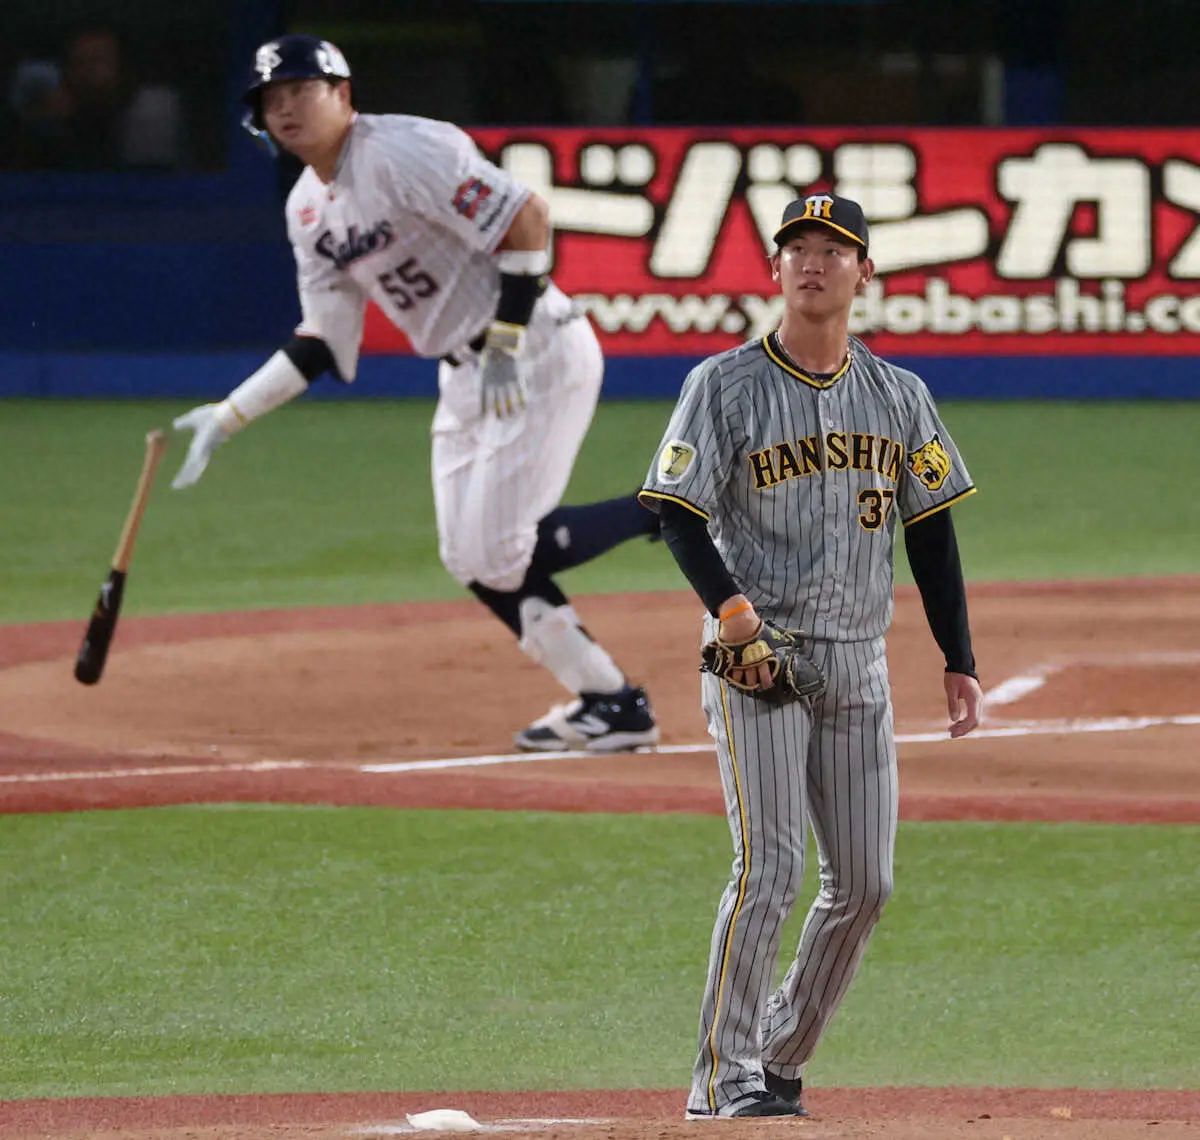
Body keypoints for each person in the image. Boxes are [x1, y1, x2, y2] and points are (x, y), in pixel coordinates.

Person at [170, 34, 660, 753]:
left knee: (498, 553)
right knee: (470, 558)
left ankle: (677, 510)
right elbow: (325, 342)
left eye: (301, 90)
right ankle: (613, 704)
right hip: (462, 375)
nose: (285, 107)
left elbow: (527, 216)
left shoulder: (403, 150)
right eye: (272, 99)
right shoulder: (307, 208)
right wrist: (231, 412)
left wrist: (506, 336)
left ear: (343, 93)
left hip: (535, 348)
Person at [638, 192, 984, 1119]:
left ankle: (781, 1056)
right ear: (776, 269)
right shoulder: (723, 384)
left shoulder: (900, 395)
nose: (815, 261)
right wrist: (733, 613)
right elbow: (675, 507)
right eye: (798, 246)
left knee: (866, 883)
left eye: (835, 248)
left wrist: (960, 654)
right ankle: (721, 1077)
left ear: (865, 273)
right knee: (771, 867)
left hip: (858, 665)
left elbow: (933, 531)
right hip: (759, 658)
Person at [13, 26, 183, 171]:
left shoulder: (150, 117)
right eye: (80, 62)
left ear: (120, 68)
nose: (89, 70)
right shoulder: (48, 123)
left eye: (99, 60)